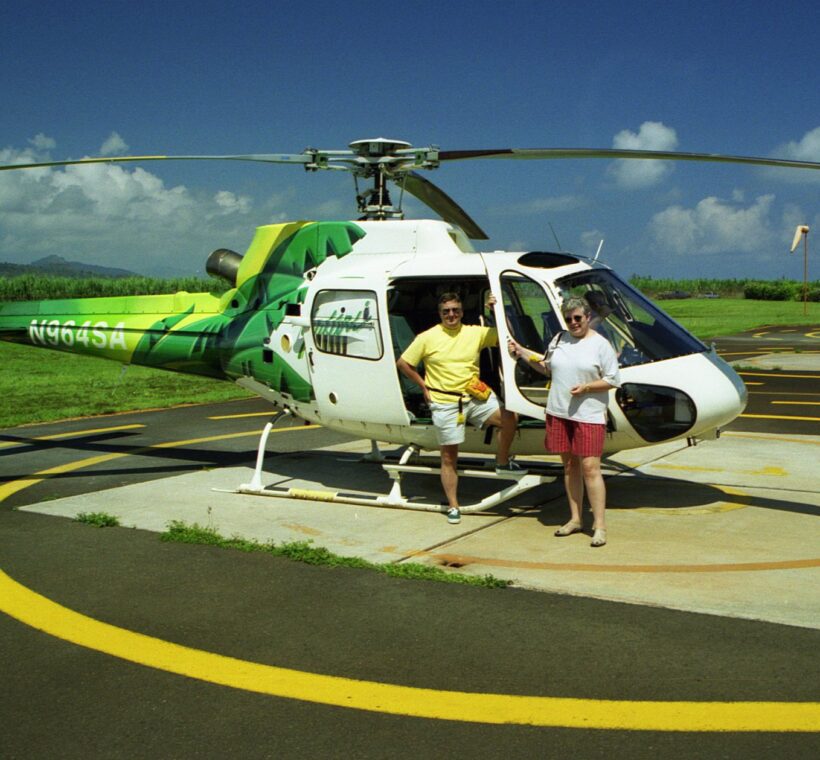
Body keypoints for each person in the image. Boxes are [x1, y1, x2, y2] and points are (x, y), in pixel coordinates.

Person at [396, 292, 521, 525]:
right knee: (449, 456)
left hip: (475, 396)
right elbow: (403, 363)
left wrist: (496, 311)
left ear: (462, 312)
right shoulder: (427, 337)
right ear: (440, 314)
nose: (451, 315)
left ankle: (501, 461)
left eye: (455, 310)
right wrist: (424, 386)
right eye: (446, 311)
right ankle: (453, 506)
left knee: (509, 417)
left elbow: (507, 336)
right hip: (445, 401)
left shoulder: (474, 332)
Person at [508, 296, 620, 547]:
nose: (573, 323)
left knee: (591, 468)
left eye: (578, 318)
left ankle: (599, 525)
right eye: (569, 319)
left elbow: (613, 380)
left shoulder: (601, 345)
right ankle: (575, 518)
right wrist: (522, 352)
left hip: (589, 415)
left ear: (588, 317)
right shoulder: (559, 339)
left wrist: (588, 387)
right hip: (559, 412)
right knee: (570, 466)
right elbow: (547, 367)